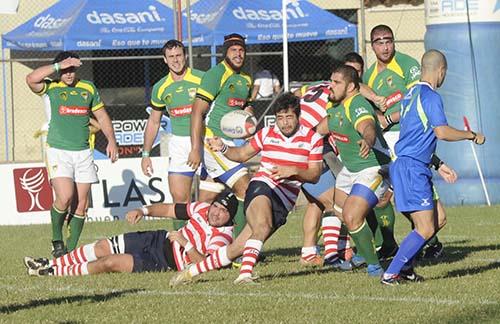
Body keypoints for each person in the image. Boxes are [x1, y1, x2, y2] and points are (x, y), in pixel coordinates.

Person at [170, 92, 323, 285]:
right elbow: (242, 154)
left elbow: (315, 174)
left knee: (237, 248)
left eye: (289, 117)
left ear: (298, 116)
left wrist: (293, 170)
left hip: (284, 200)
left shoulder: (312, 139)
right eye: (280, 118)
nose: (284, 123)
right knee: (262, 226)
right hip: (262, 186)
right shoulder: (267, 133)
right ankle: (244, 275)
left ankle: (191, 272)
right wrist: (224, 148)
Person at [381, 50, 485, 285]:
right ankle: (390, 273)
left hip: (411, 165)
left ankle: (405, 269)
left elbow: (417, 136)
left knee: (439, 218)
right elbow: (441, 131)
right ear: (441, 71)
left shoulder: (410, 94)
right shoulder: (430, 95)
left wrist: (438, 164)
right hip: (411, 169)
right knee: (426, 228)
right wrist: (471, 135)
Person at [26, 51, 118, 258]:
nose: (68, 74)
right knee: (65, 196)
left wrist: (112, 141)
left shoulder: (88, 88)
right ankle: (57, 239)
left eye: (72, 69)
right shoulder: (51, 87)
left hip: (84, 151)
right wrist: (59, 66)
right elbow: (31, 79)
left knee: (82, 205)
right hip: (58, 150)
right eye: (64, 70)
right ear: (59, 70)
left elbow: (102, 117)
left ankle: (69, 253)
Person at [24, 191, 237, 277]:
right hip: (157, 238)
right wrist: (143, 211)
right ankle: (52, 263)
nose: (217, 213)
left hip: (163, 261)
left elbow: (210, 267)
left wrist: (186, 244)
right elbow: (171, 209)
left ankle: (51, 273)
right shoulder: (202, 208)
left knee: (109, 262)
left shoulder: (222, 238)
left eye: (224, 211)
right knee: (101, 246)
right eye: (216, 206)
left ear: (231, 217)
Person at [316, 65, 392, 277]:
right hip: (350, 170)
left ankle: (375, 266)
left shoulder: (356, 104)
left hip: (372, 168)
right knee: (341, 209)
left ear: (350, 86)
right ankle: (364, 251)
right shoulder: (335, 106)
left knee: (351, 215)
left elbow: (367, 125)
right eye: (331, 80)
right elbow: (320, 129)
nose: (331, 85)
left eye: (336, 82)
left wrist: (368, 140)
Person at [141, 40, 223, 230]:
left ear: (186, 56)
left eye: (179, 55)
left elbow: (220, 107)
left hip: (207, 140)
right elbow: (154, 121)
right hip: (179, 143)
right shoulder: (160, 87)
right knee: (179, 199)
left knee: (211, 199)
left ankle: (218, 244)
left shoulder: (203, 79)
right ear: (164, 59)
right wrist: (145, 154)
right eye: (171, 57)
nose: (175, 60)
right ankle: (181, 247)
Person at [187, 33, 253, 244]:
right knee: (244, 187)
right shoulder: (215, 74)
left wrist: (249, 120)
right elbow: (197, 112)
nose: (238, 54)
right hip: (212, 143)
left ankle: (192, 244)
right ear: (226, 52)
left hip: (232, 144)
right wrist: (195, 148)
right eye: (233, 50)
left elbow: (243, 108)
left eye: (241, 50)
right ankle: (240, 249)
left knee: (205, 202)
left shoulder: (246, 79)